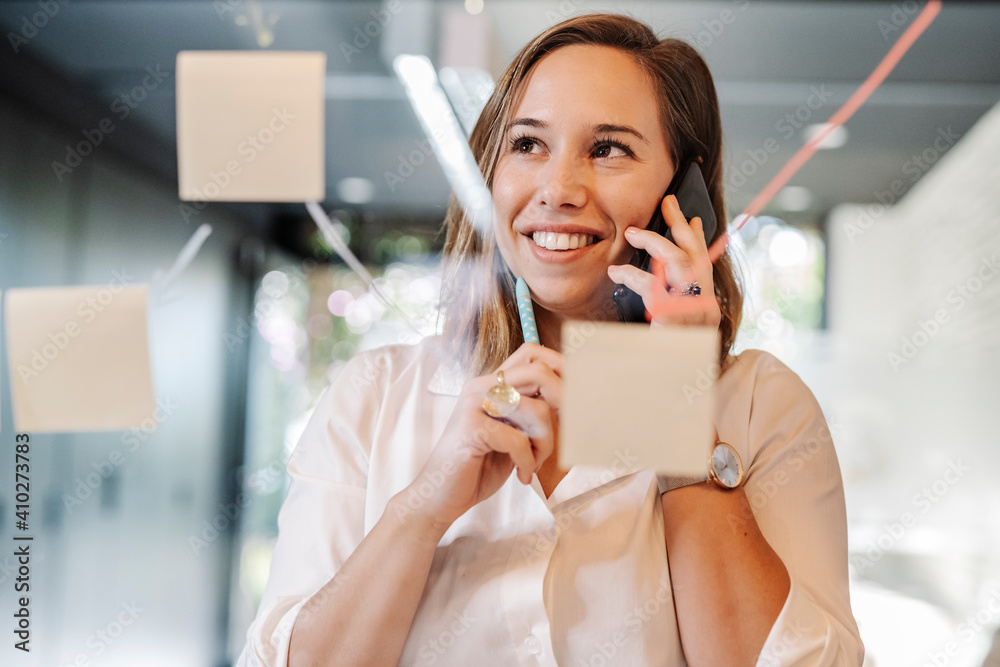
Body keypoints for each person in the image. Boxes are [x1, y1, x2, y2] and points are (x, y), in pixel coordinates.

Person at [237, 13, 863, 667]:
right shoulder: (377, 395)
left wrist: (678, 417)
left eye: (609, 148)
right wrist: (422, 506)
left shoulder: (762, 405)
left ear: (684, 195)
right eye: (528, 145)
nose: (558, 189)